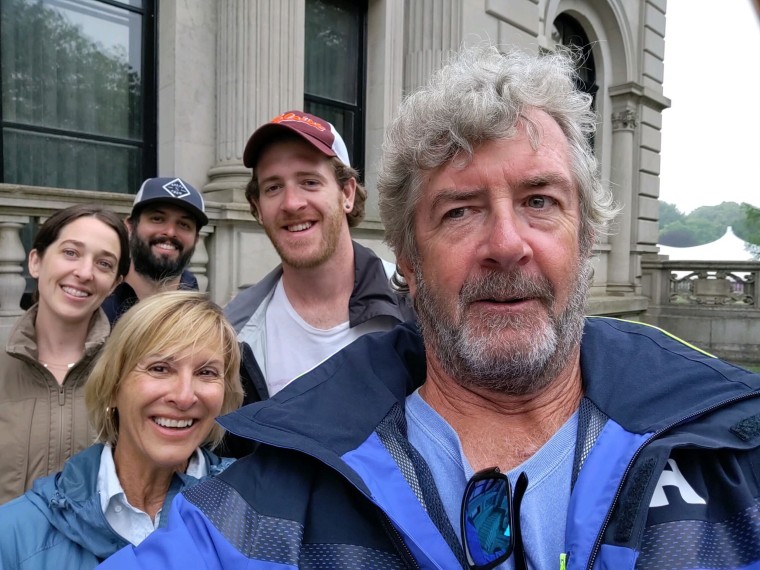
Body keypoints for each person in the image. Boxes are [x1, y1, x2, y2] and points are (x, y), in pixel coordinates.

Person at [100, 46, 760, 570]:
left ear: (586, 236)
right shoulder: (274, 500)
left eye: (539, 202)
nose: (506, 244)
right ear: (408, 263)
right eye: (460, 211)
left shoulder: (733, 452)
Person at [0, 291, 244, 569]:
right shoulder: (14, 535)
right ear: (113, 386)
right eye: (160, 368)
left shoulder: (257, 512)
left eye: (207, 373)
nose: (185, 396)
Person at [220, 110, 414, 455]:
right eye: (273, 187)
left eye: (309, 181)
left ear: (347, 193)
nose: (292, 203)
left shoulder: (416, 305)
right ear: (258, 206)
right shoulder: (231, 336)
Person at [0, 204, 130, 506]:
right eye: (71, 253)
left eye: (104, 264)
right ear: (36, 261)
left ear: (114, 285)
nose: (84, 272)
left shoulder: (127, 372)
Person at [101, 177, 208, 325]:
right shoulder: (94, 304)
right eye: (157, 219)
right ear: (130, 226)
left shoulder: (205, 324)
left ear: (196, 238)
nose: (170, 232)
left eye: (184, 224)